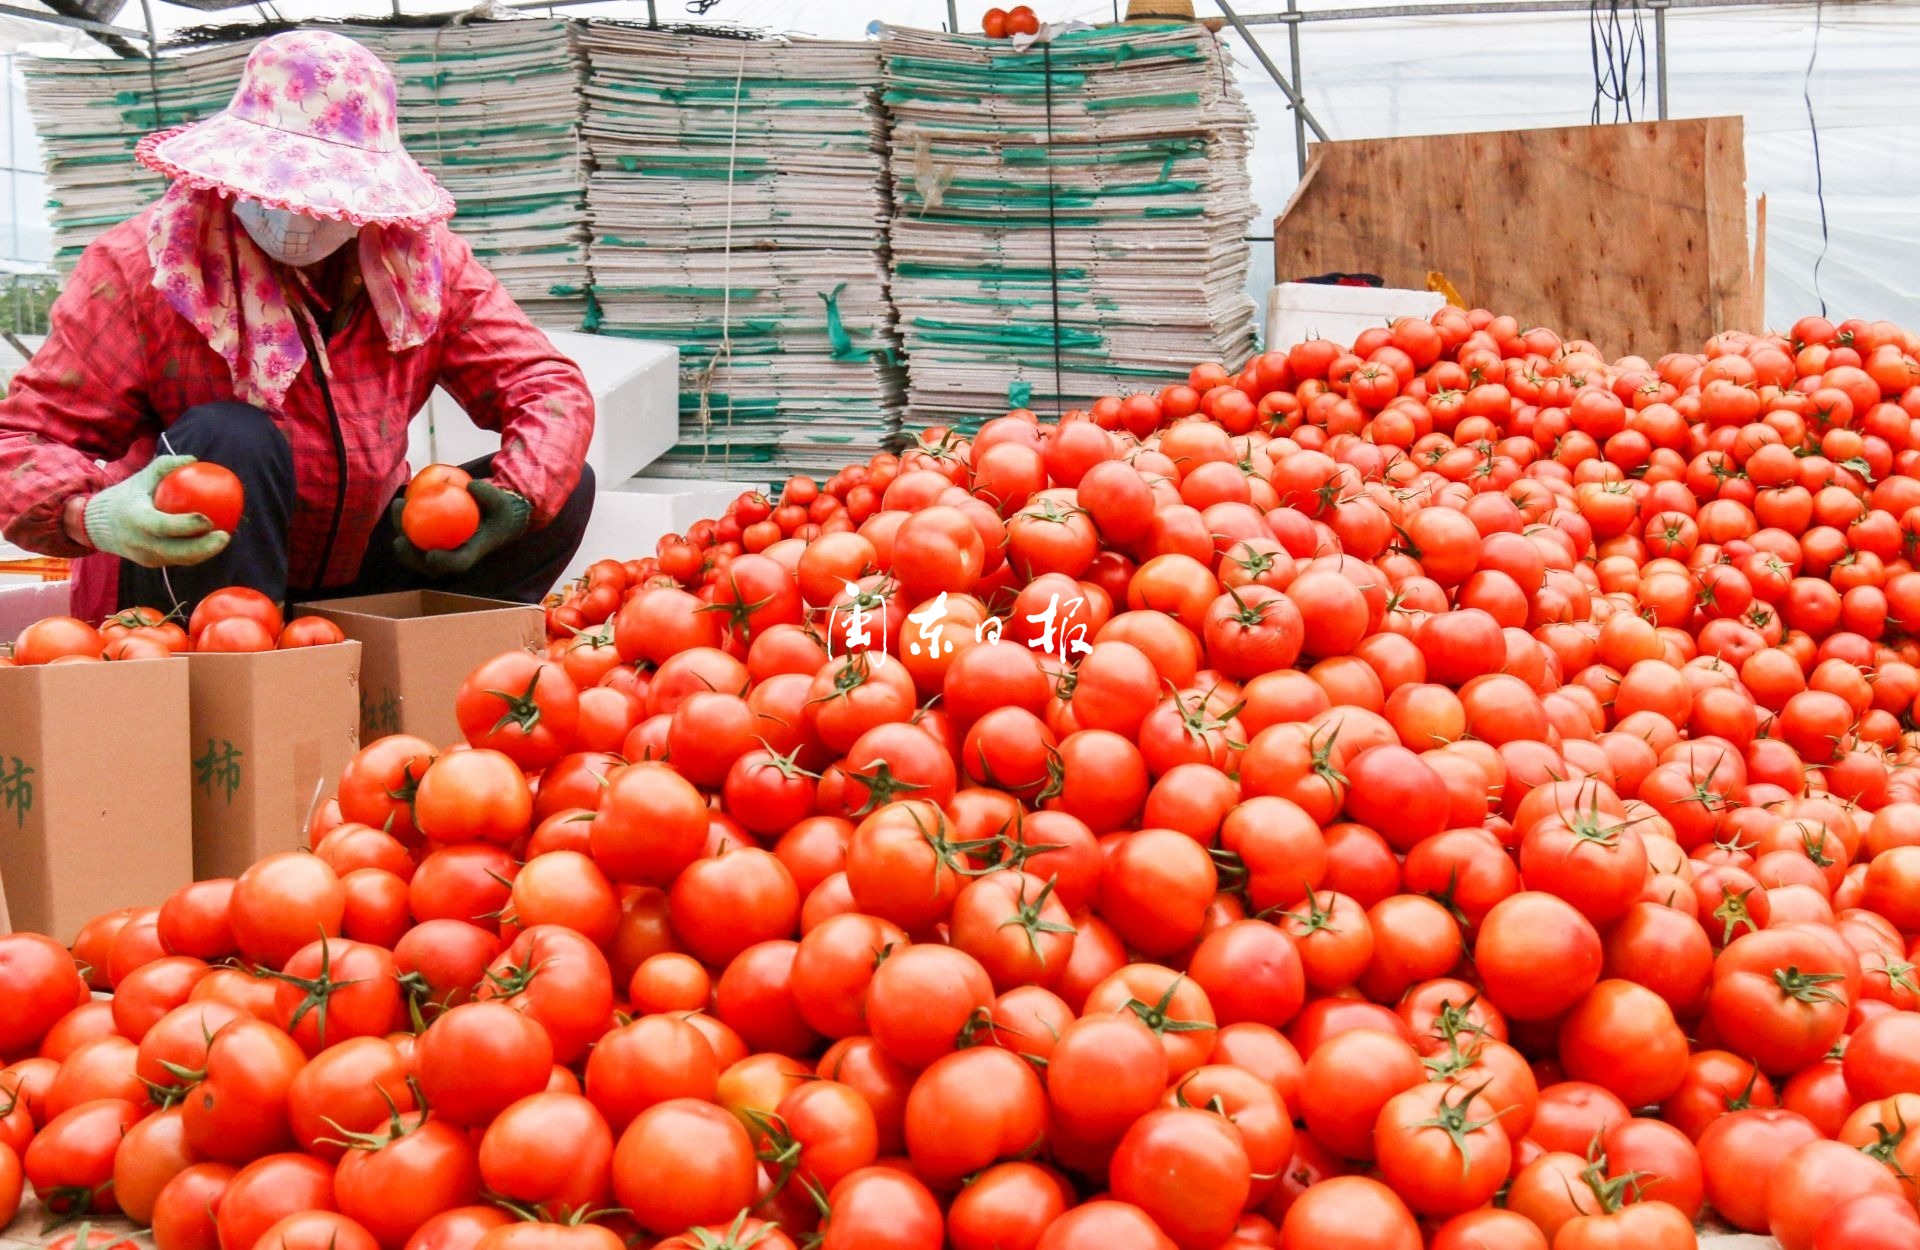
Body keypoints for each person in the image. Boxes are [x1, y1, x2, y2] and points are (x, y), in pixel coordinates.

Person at [0, 29, 595, 624]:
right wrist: (93, 513)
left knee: (560, 487)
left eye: (323, 194)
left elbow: (545, 385)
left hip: (358, 566)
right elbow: (20, 441)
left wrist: (515, 501)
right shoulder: (144, 265)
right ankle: (229, 679)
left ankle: (422, 672)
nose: (293, 218)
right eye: (272, 186)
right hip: (193, 577)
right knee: (230, 435)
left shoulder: (419, 266)